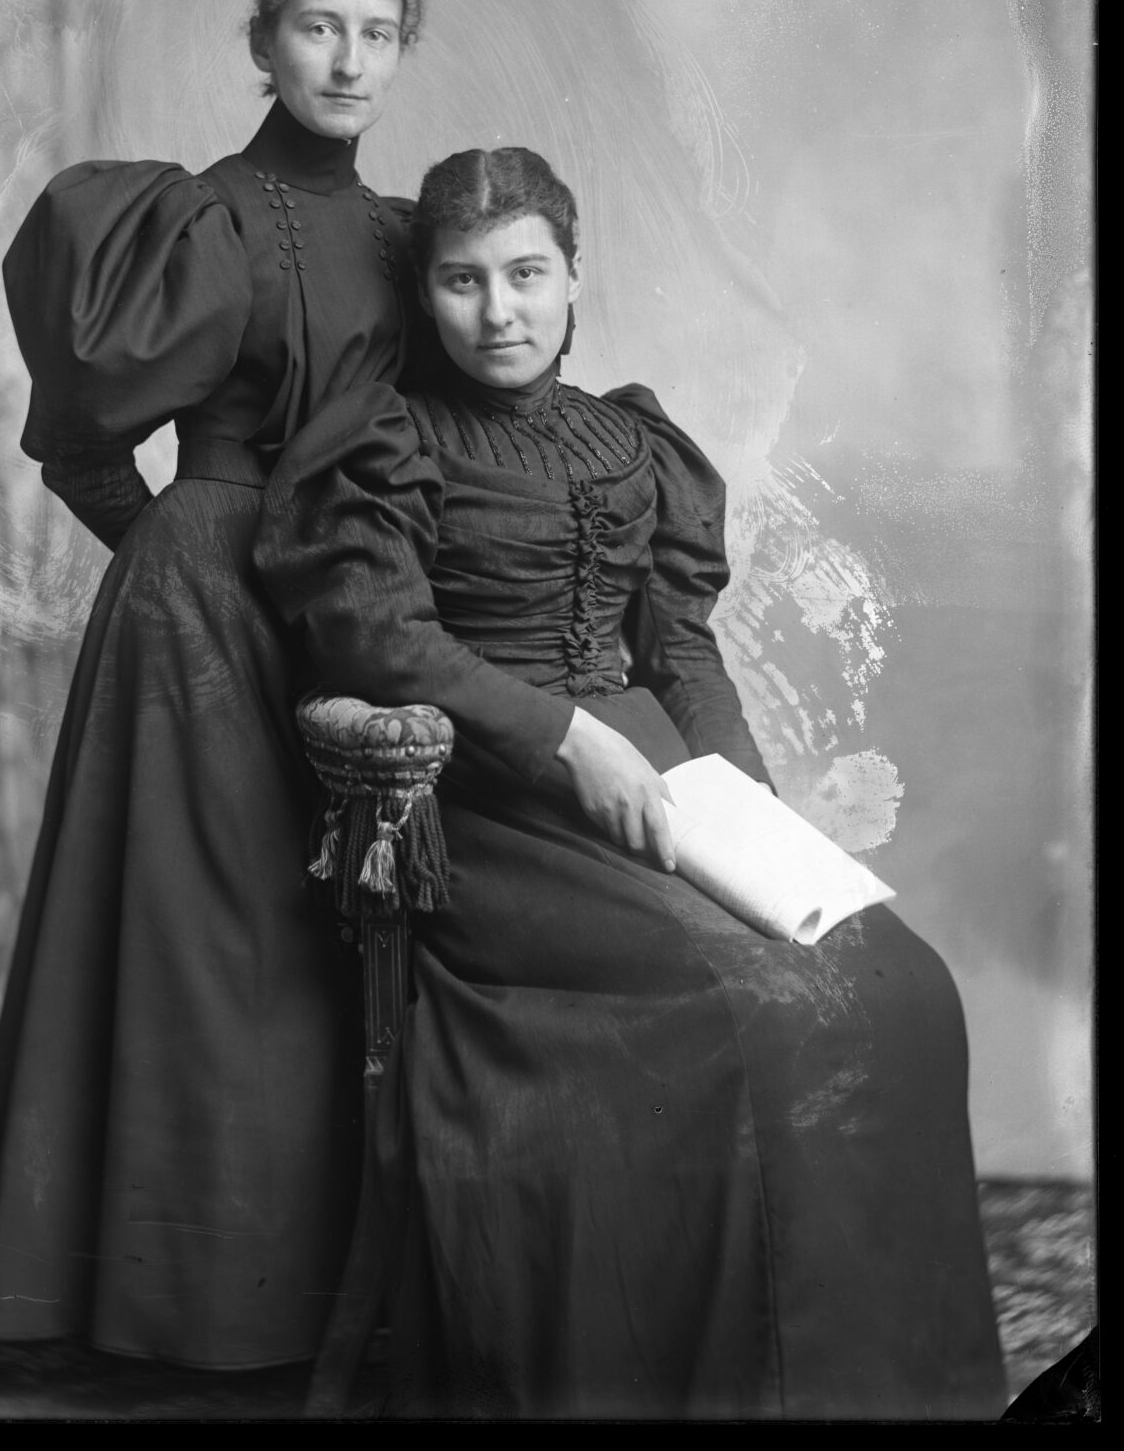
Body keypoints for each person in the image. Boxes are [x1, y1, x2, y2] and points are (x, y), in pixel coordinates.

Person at [255, 146, 1008, 1419]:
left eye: (525, 274)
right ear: (424, 293)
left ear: (571, 276)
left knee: (904, 987)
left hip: (659, 782)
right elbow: (379, 640)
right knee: (755, 1007)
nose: (498, 312)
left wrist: (750, 812)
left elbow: (678, 650)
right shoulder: (387, 438)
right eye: (461, 280)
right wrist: (563, 737)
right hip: (490, 801)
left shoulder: (628, 437)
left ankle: (884, 1390)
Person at [0, 0, 427, 1370]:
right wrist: (184, 548)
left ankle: (318, 1293)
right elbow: (82, 445)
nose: (346, 59)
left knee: (334, 947)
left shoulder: (412, 239)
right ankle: (178, 1309)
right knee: (204, 946)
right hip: (204, 613)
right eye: (319, 27)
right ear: (263, 40)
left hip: (356, 604)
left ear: (402, 54)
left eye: (377, 34)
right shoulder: (197, 218)